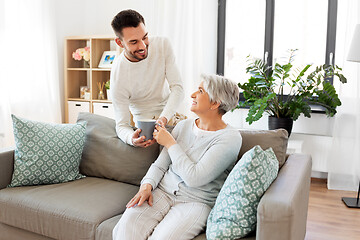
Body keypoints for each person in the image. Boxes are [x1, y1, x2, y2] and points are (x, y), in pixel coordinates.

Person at [112, 74, 242, 240]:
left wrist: (170, 143)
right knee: (125, 228)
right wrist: (147, 186)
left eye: (200, 91)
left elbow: (194, 178)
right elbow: (160, 165)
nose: (193, 94)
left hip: (196, 203)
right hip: (162, 193)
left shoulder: (230, 138)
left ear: (215, 103)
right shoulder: (183, 126)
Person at [110, 9, 184, 148]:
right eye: (134, 42)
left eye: (144, 37)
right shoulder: (118, 73)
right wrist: (131, 139)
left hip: (170, 117)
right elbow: (121, 125)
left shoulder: (162, 45)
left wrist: (164, 118)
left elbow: (178, 88)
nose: (143, 46)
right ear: (120, 43)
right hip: (145, 128)